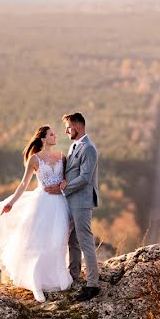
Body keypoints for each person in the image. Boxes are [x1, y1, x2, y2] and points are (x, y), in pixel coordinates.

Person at [0, 125, 72, 302]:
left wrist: (64, 183)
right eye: (51, 134)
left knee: (58, 241)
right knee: (37, 243)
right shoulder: (34, 160)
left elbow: (68, 177)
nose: (55, 136)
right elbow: (23, 184)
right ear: (43, 139)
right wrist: (11, 203)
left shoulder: (62, 156)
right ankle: (36, 284)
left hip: (60, 203)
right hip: (42, 203)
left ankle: (58, 278)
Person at [44, 112, 100, 302]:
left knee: (85, 242)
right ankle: (74, 276)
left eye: (68, 127)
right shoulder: (74, 146)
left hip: (82, 202)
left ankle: (93, 284)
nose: (66, 131)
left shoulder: (88, 148)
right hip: (72, 201)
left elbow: (85, 177)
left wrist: (63, 187)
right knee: (73, 241)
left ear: (77, 126)